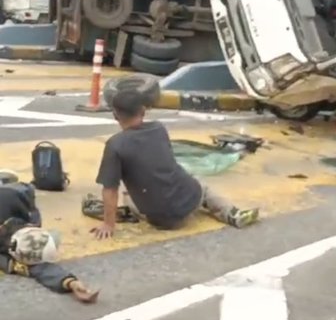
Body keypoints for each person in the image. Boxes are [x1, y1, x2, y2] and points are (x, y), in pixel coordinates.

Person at [91, 90, 260, 240]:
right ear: (143, 111)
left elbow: (110, 190)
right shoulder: (159, 128)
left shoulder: (115, 145)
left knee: (127, 194)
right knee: (203, 187)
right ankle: (232, 213)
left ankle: (127, 211)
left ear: (115, 116)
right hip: (190, 199)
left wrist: (108, 225)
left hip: (162, 219)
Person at [0, 182, 99, 303]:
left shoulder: (15, 202)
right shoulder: (13, 198)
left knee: (25, 189)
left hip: (17, 203)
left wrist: (70, 283)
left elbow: (37, 266)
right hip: (15, 204)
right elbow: (36, 266)